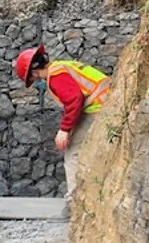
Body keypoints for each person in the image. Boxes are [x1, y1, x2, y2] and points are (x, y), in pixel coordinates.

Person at [14, 45, 111, 198]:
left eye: (32, 79)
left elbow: (74, 99)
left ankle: (74, 198)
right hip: (105, 103)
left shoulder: (56, 76)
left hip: (99, 107)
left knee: (73, 152)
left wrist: (64, 130)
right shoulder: (60, 66)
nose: (35, 82)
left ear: (34, 72)